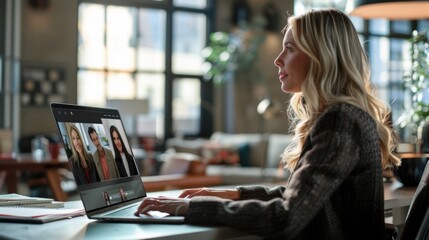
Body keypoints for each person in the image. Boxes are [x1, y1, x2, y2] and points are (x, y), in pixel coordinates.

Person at [135, 8, 401, 239]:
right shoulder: (345, 115)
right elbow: (300, 196)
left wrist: (189, 208)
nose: (277, 60)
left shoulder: (340, 120)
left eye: (290, 48)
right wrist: (228, 194)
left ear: (321, 55)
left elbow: (286, 218)